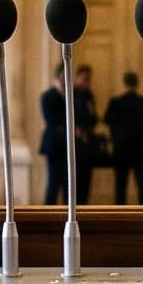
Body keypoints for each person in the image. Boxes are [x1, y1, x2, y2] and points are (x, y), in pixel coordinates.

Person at [101, 72, 143, 205]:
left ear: (124, 82)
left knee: (120, 187)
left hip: (121, 151)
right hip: (142, 152)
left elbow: (106, 121)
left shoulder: (116, 103)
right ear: (137, 83)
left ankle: (119, 218)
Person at [38, 64, 88, 204]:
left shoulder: (71, 95)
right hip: (54, 145)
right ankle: (48, 217)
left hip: (68, 146)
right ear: (59, 76)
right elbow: (51, 120)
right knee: (53, 184)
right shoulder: (48, 96)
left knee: (69, 185)